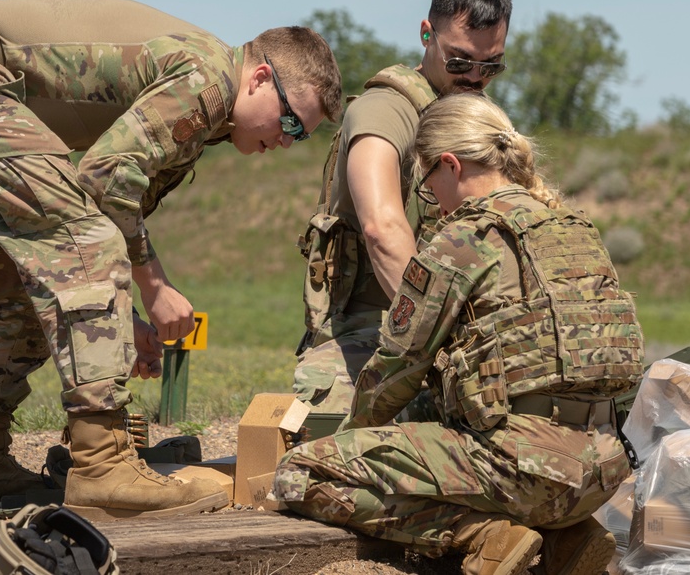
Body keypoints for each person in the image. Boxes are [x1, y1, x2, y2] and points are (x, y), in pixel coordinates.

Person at [0, 0, 342, 520]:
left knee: (24, 273)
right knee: (86, 243)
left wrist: (126, 322)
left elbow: (112, 218)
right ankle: (103, 468)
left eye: (301, 137)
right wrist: (155, 288)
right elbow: (104, 180)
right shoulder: (208, 78)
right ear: (260, 77)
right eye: (289, 124)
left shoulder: (208, 115)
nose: (287, 142)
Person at [275, 94, 644, 575]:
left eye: (427, 184)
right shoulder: (577, 229)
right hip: (603, 471)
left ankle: (485, 535)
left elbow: (396, 368)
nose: (430, 200)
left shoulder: (463, 238)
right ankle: (570, 539)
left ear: (450, 165)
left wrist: (354, 440)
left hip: (527, 471)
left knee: (302, 474)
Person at [295, 0, 511, 414]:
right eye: (459, 61)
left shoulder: (483, 120)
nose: (473, 77)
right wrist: (442, 340)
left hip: (472, 326)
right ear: (426, 34)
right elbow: (382, 228)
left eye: (490, 67)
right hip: (379, 324)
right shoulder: (384, 111)